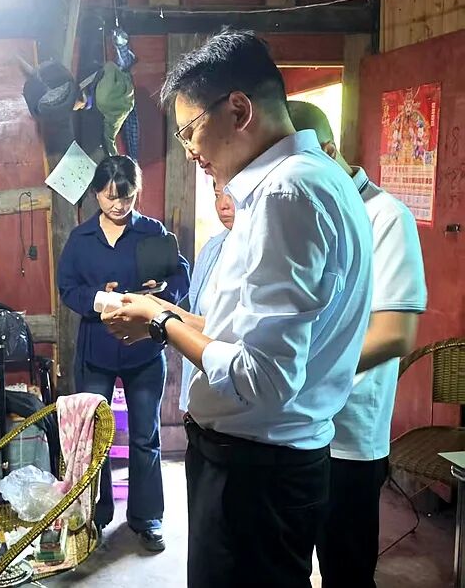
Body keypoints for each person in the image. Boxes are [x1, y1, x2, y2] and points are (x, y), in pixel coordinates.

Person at [102, 29, 373, 587]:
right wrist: (161, 312)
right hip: (267, 464)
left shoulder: (284, 195)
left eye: (189, 131)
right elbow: (242, 334)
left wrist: (161, 322)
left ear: (239, 109)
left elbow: (263, 378)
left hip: (255, 473)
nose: (189, 151)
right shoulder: (318, 178)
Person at [288, 100, 427, 588]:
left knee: (346, 570)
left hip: (348, 438)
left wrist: (300, 372)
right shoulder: (303, 210)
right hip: (295, 427)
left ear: (328, 151)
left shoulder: (386, 216)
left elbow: (395, 334)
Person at [57, 155, 189, 552]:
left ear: (137, 193)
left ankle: (146, 518)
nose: (118, 205)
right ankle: (95, 516)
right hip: (96, 350)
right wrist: (101, 299)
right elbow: (68, 289)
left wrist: (161, 294)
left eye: (127, 197)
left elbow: (180, 274)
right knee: (94, 437)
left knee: (145, 435)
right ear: (96, 193)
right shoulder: (81, 239)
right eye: (110, 197)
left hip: (144, 349)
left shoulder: (152, 232)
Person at [178, 184, 234, 411]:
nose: (223, 205)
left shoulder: (266, 250)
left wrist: (165, 318)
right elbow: (194, 308)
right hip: (202, 369)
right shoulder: (213, 247)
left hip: (235, 378)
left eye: (232, 195)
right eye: (218, 195)